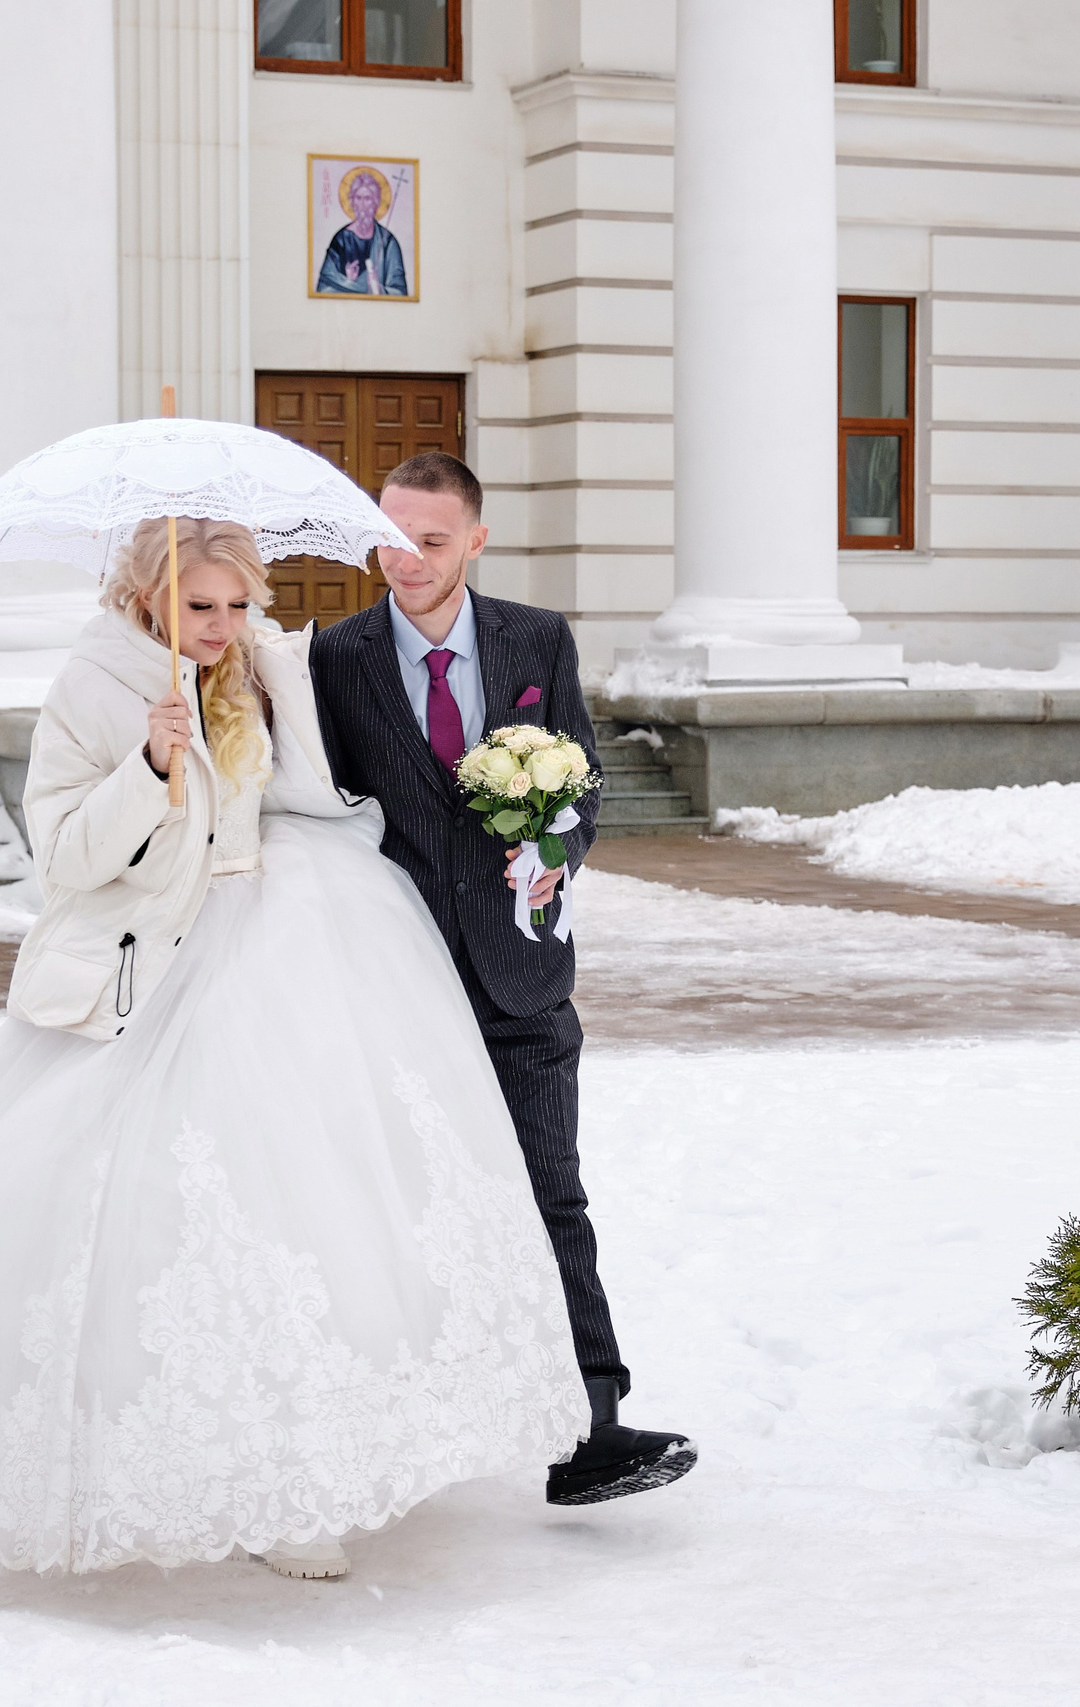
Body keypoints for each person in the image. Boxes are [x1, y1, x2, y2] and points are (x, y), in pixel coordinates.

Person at [0, 518, 589, 1581]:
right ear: (149, 597)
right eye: (200, 608)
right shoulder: (95, 687)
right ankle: (174, 1471)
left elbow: (319, 792)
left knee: (313, 1203)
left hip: (292, 941)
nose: (222, 628)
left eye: (238, 606)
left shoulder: (270, 665)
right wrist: (149, 762)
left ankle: (301, 1475)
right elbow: (63, 856)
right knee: (151, 1213)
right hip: (153, 962)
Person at [311, 452, 697, 1506]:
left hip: (523, 974)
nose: (406, 560)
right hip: (398, 980)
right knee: (400, 1210)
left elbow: (581, 774)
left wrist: (557, 852)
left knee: (549, 1195)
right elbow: (323, 807)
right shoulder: (332, 658)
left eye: (431, 541)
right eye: (388, 537)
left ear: (474, 540)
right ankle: (390, 1425)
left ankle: (591, 1428)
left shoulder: (537, 638)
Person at [316, 168, 409, 296]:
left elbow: (401, 293)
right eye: (358, 198)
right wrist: (349, 282)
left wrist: (379, 288)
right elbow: (323, 289)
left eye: (367, 199)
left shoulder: (388, 242)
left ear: (376, 203)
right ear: (352, 202)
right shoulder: (340, 240)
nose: (362, 205)